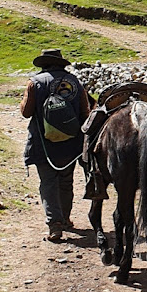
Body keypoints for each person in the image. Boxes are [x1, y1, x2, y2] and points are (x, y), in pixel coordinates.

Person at [20, 48, 91, 242]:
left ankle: (55, 225)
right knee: (66, 181)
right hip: (71, 142)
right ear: (61, 63)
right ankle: (66, 219)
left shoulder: (34, 83)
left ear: (43, 64)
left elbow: (26, 112)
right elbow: (86, 113)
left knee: (48, 182)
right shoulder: (75, 82)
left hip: (43, 143)